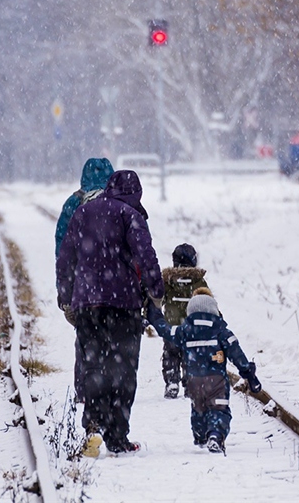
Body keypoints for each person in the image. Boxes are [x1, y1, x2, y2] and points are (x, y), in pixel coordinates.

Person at [56, 169, 165, 457]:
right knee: (123, 370)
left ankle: (93, 427)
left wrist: (66, 295)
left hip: (88, 305)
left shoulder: (84, 212)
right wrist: (156, 290)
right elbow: (146, 255)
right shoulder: (131, 215)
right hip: (124, 305)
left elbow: (66, 256)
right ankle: (117, 436)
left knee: (93, 364)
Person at [145, 290, 262, 454]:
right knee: (218, 409)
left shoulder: (185, 330)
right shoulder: (221, 331)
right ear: (214, 309)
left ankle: (200, 436)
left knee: (198, 408)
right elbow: (237, 354)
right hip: (217, 380)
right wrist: (248, 372)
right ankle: (215, 435)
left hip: (194, 380)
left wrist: (154, 316)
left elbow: (166, 331)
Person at [54, 157, 115, 404]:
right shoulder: (118, 203)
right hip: (115, 286)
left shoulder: (74, 204)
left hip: (83, 286)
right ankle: (112, 389)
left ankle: (84, 389)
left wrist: (64, 289)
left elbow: (62, 250)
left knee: (86, 338)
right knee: (114, 338)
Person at [160, 243, 209, 399]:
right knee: (191, 355)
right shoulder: (198, 282)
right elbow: (207, 301)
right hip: (192, 328)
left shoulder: (167, 281)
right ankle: (190, 384)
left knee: (170, 355)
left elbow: (158, 298)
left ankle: (171, 382)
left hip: (171, 328)